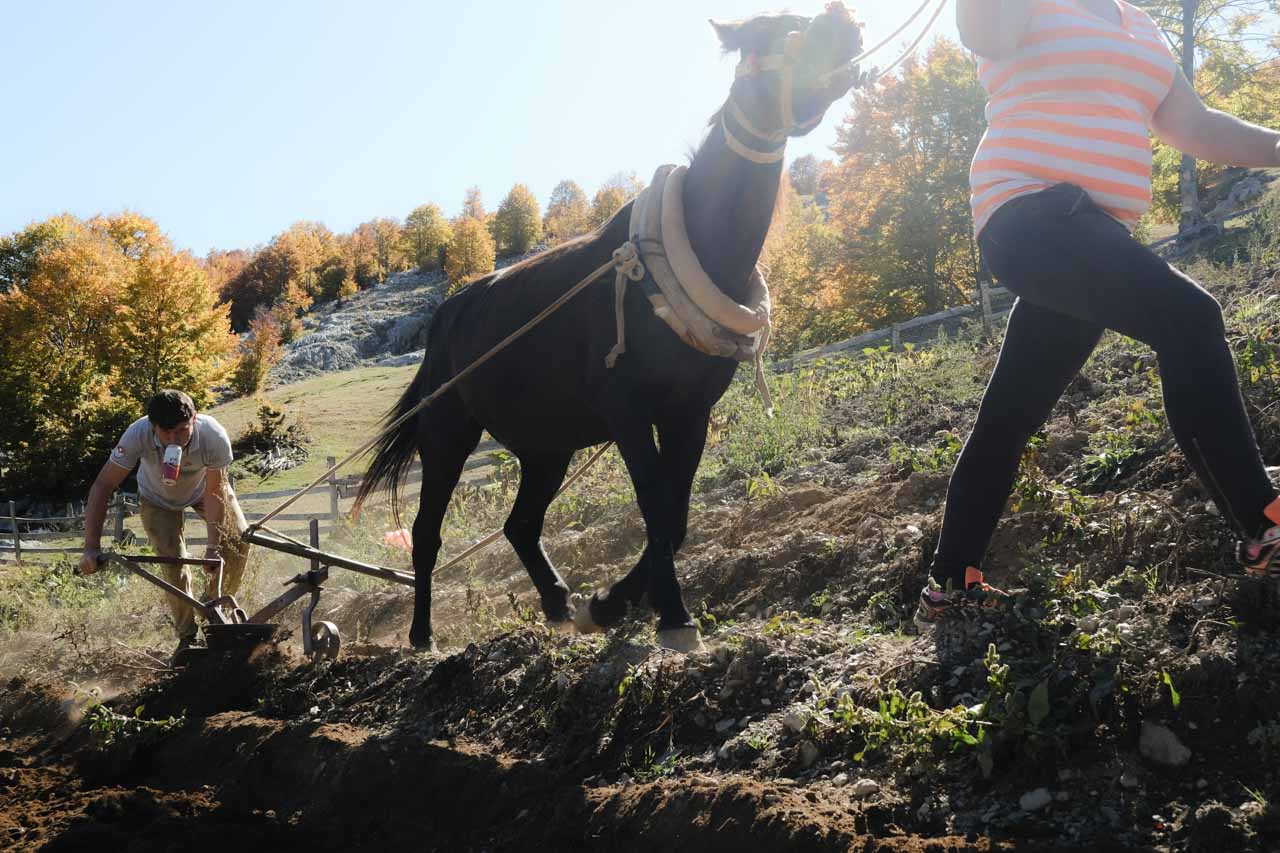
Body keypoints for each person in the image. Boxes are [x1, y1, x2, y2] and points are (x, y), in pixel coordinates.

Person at [918, 0, 1280, 624]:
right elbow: (983, 29)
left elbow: (1192, 124)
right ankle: (1261, 520)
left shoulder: (1140, 25)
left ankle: (950, 587)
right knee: (1189, 319)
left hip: (1096, 235)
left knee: (1011, 415)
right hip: (1028, 215)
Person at [78, 390, 252, 655]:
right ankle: (187, 636)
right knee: (173, 562)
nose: (174, 440)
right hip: (157, 498)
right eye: (165, 433)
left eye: (181, 431)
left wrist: (213, 547)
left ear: (194, 418)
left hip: (206, 490)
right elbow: (103, 485)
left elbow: (215, 492)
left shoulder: (213, 437)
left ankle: (215, 609)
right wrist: (90, 546)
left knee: (239, 539)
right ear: (152, 426)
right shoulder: (137, 434)